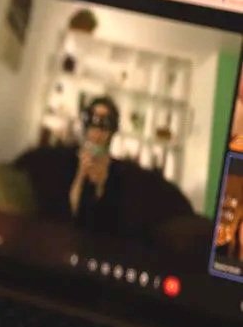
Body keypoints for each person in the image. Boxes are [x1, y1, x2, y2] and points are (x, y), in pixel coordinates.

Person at [11, 94, 195, 240]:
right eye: (93, 122)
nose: (97, 131)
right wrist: (81, 175)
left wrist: (101, 184)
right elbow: (69, 211)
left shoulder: (120, 172)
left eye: (105, 124)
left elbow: (108, 220)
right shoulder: (62, 160)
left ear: (112, 130)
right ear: (85, 125)